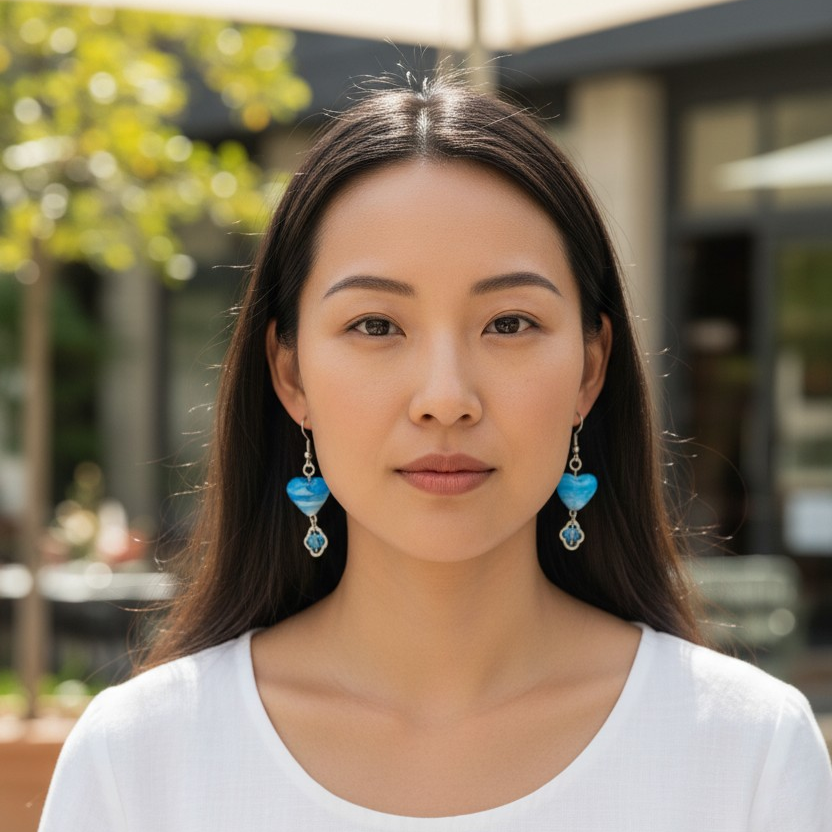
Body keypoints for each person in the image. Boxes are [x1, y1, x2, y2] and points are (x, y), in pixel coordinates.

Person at [39, 75, 831, 831]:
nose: (445, 396)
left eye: (510, 323)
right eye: (376, 326)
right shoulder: (141, 761)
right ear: (290, 373)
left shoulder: (746, 751)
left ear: (590, 368)